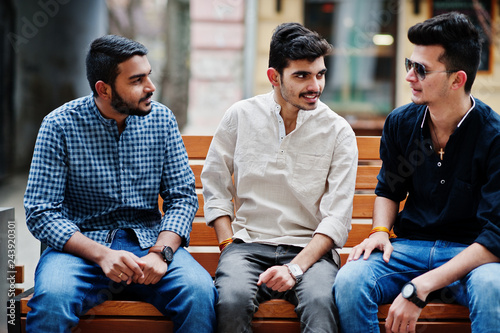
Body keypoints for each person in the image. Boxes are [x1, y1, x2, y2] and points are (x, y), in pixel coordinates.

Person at [24, 35, 217, 333]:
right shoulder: (59, 125)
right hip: (80, 249)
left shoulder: (161, 120)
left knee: (199, 293)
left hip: (150, 244)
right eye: (137, 80)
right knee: (52, 302)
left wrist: (162, 252)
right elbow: (41, 212)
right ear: (104, 89)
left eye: (148, 76)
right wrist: (102, 254)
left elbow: (182, 198)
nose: (150, 87)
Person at [334, 12, 500, 333]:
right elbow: (388, 189)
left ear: (457, 79)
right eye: (409, 64)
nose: (409, 76)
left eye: (421, 69)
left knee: (494, 290)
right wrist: (380, 231)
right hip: (408, 249)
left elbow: (494, 238)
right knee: (350, 281)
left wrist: (420, 286)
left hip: (471, 257)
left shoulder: (493, 137)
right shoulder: (401, 122)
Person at [200, 22, 358, 333]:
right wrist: (228, 242)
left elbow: (337, 216)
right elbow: (214, 182)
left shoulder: (338, 131)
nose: (315, 85)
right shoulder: (240, 116)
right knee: (229, 302)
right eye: (302, 76)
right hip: (246, 245)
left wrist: (296, 267)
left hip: (310, 250)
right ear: (275, 77)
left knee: (321, 305)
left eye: (320, 74)